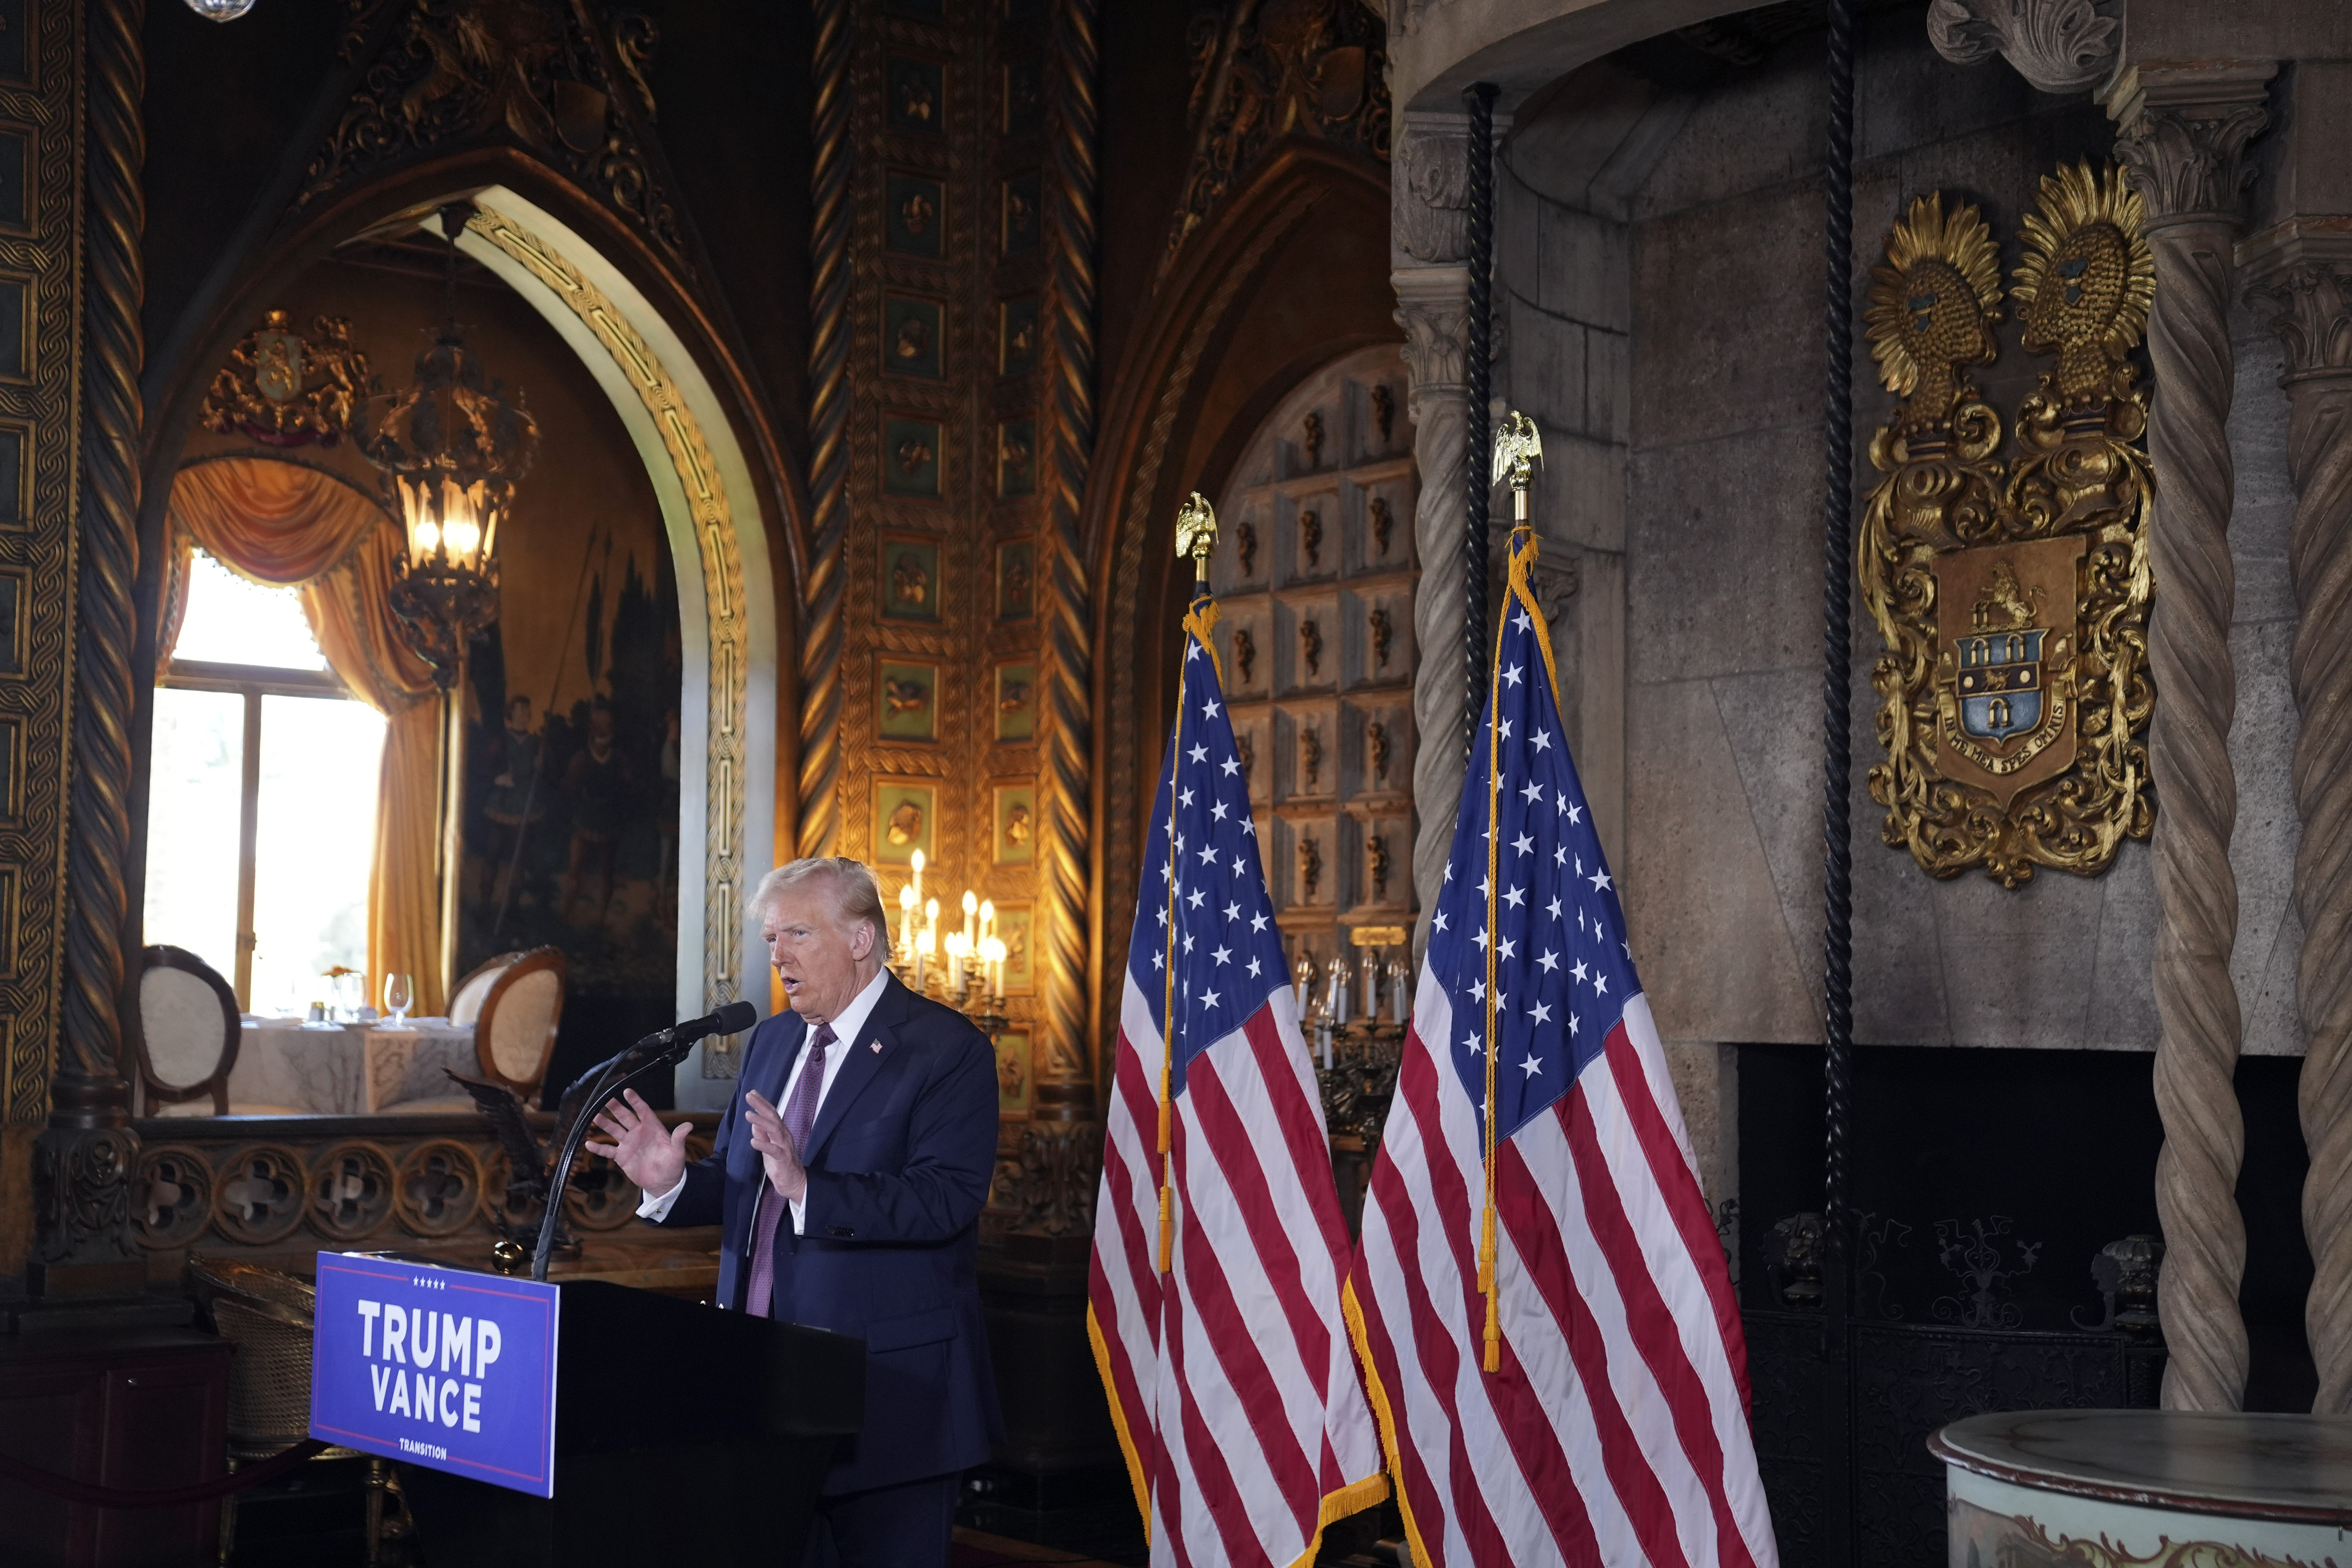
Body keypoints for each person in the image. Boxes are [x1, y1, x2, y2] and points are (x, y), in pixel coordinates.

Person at [584, 857, 1000, 1567]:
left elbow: (946, 1198)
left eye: (798, 934)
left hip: (888, 1401)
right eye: (772, 938)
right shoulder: (773, 1040)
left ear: (862, 939)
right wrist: (674, 1182)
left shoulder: (947, 1049)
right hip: (763, 1391)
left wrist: (811, 1189)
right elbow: (754, 1186)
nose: (777, 955)